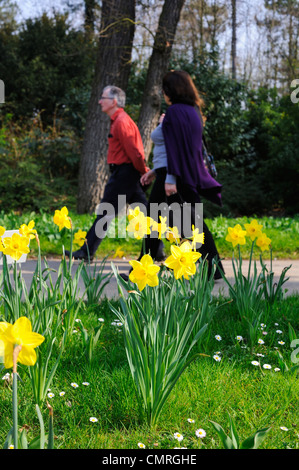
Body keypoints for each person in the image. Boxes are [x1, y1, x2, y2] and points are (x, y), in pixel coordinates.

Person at [137, 70, 224, 279]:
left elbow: (175, 148)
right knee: (189, 221)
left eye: (164, 89)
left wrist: (168, 178)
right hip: (180, 174)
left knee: (168, 221)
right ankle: (214, 268)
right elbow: (177, 148)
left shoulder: (176, 111)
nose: (163, 93)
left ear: (171, 90)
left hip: (174, 176)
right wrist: (156, 173)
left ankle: (143, 268)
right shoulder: (192, 111)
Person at [65, 85, 164, 262]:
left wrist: (144, 172)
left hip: (125, 173)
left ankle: (86, 252)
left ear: (114, 101)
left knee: (106, 211)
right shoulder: (117, 121)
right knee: (144, 212)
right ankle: (156, 250)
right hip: (127, 173)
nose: (100, 101)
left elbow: (135, 152)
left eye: (103, 98)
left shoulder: (122, 122)